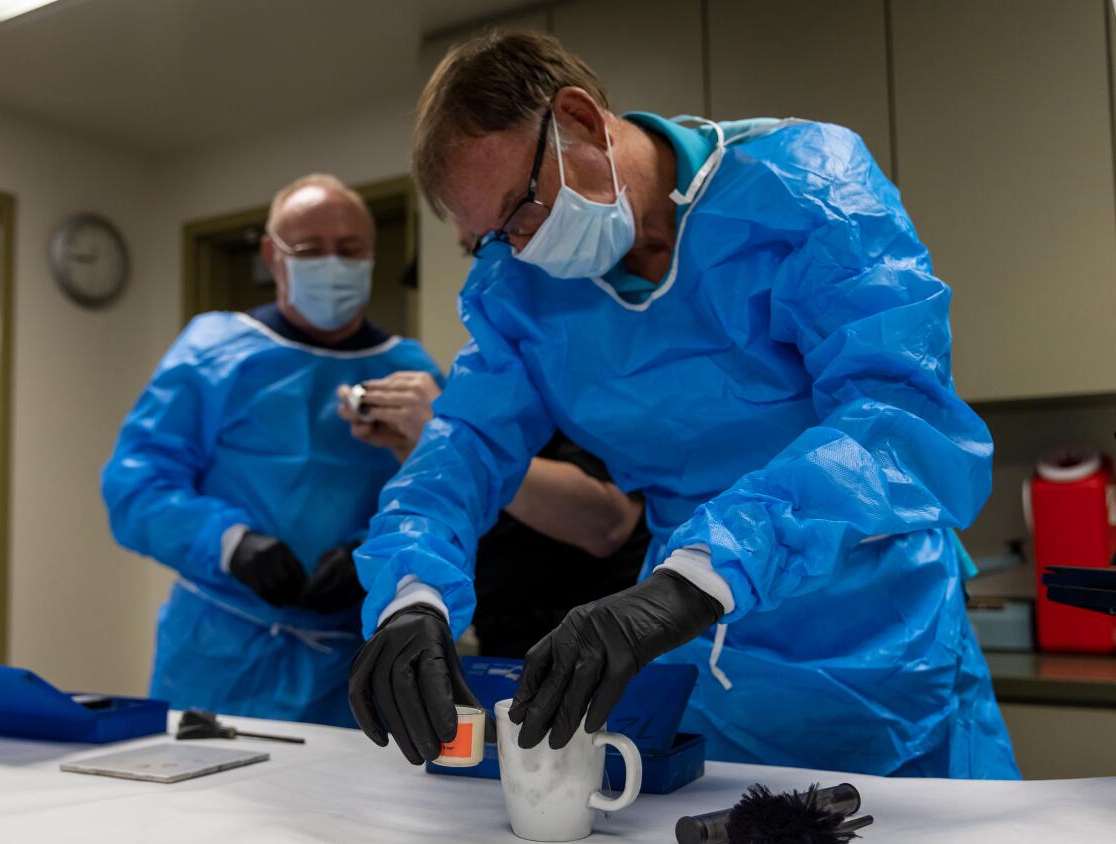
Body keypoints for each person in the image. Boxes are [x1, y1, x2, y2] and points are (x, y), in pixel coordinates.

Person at [345, 31, 1019, 778]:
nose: (523, 249)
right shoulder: (521, 291)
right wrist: (411, 593)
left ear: (578, 120)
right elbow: (461, 445)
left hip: (879, 641)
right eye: (489, 240)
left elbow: (898, 419)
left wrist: (695, 579)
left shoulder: (804, 189)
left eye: (521, 209)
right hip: (703, 652)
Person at [101, 174, 441, 726]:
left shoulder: (410, 373)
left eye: (350, 249)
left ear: (373, 254)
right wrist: (232, 544)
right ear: (271, 256)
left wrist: (372, 556)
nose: (332, 264)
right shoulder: (213, 352)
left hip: (356, 667)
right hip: (220, 657)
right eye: (310, 251)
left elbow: (441, 501)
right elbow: (134, 487)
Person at [336, 370, 649, 657]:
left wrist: (452, 436)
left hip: (596, 645)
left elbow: (607, 523)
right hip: (501, 639)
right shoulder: (491, 381)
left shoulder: (592, 382)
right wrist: (424, 445)